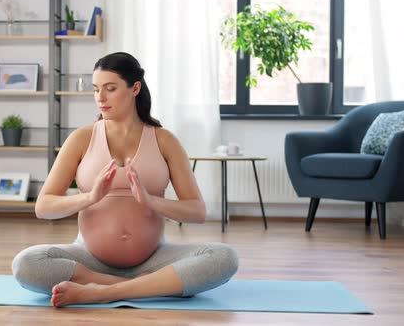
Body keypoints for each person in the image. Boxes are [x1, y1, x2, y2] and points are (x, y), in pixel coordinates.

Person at [12, 52, 238, 307]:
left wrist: (150, 200)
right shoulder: (81, 138)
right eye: (96, 89)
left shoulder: (164, 140)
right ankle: (145, 287)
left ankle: (100, 292)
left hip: (154, 259)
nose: (100, 97)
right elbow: (43, 207)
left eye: (110, 88)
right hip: (89, 260)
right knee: (26, 263)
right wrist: (90, 197)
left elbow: (196, 212)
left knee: (223, 257)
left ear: (135, 88)